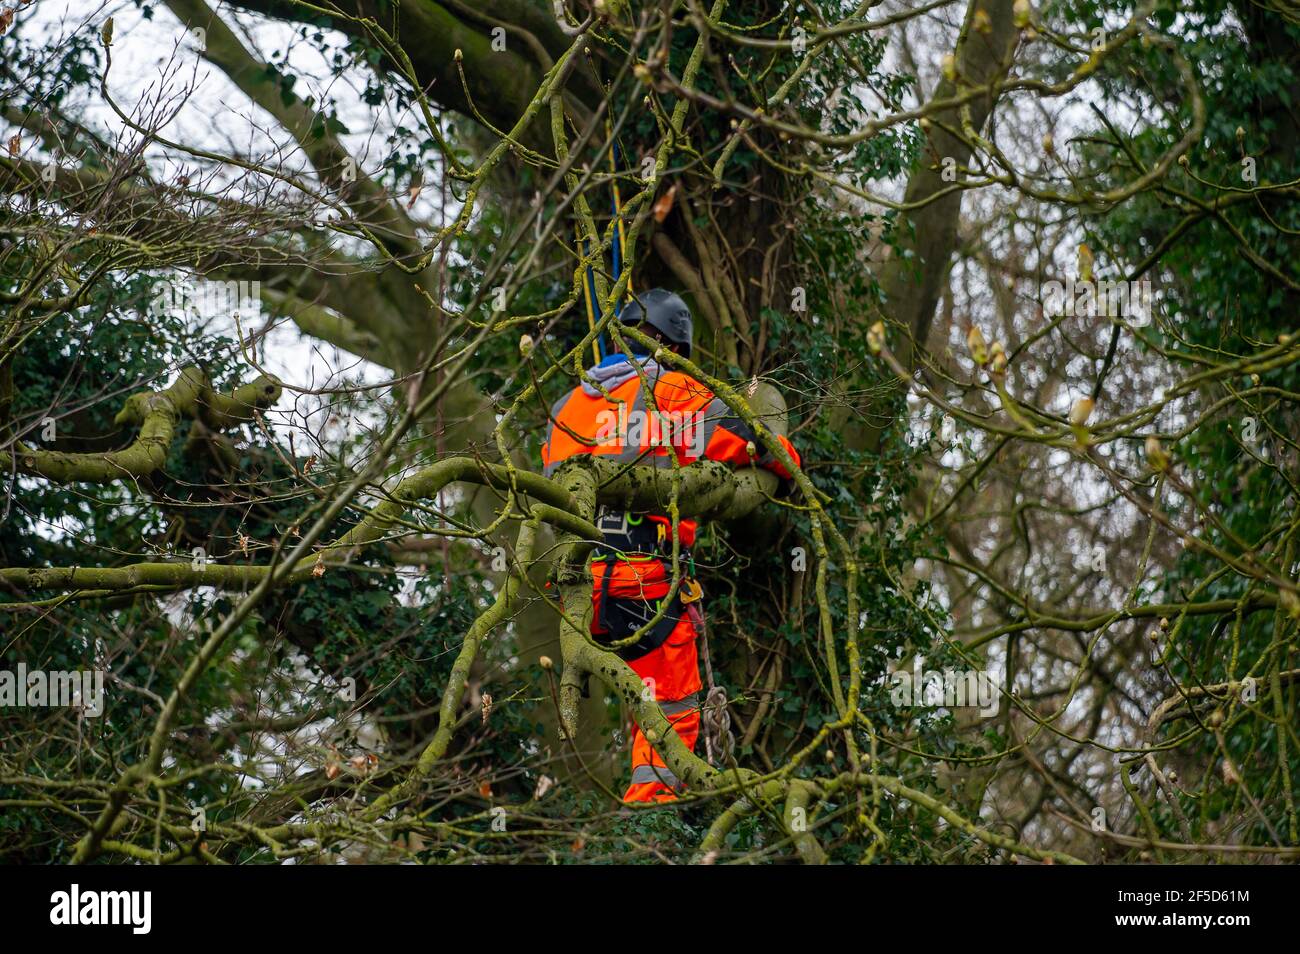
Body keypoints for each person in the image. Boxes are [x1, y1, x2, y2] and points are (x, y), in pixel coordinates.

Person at [540, 288, 800, 803]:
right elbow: (751, 436)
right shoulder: (675, 392)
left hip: (578, 590)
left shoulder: (565, 406)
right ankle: (651, 827)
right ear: (672, 345)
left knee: (639, 703)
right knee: (671, 717)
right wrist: (787, 470)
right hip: (647, 586)